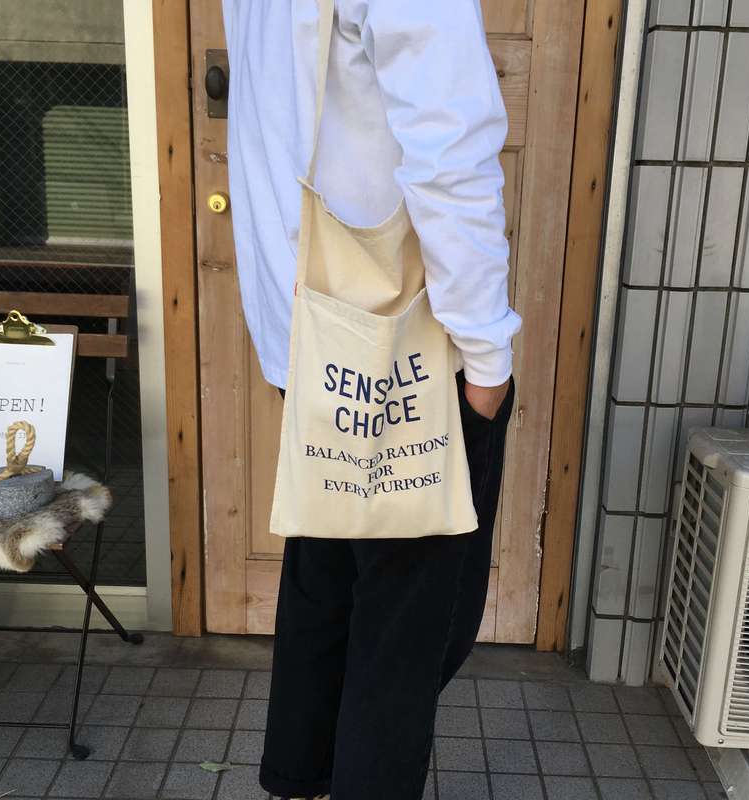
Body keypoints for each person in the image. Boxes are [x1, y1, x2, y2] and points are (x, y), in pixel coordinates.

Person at [221, 1, 522, 798]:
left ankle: (299, 780)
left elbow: (272, 115)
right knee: (406, 632)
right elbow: (449, 154)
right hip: (403, 352)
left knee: (324, 585)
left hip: (306, 333)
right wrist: (487, 355)